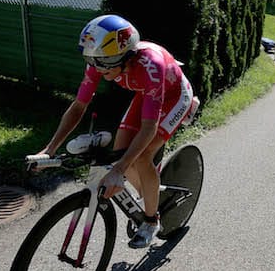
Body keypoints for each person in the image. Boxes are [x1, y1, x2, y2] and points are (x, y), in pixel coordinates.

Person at [33, 14, 195, 249]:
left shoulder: (152, 67)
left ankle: (151, 222)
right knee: (122, 152)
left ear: (124, 56)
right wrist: (49, 149)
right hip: (145, 93)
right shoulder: (100, 62)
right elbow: (79, 106)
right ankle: (151, 190)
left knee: (141, 157)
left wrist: (119, 169)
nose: (96, 68)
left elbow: (149, 128)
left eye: (103, 63)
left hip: (174, 95)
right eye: (92, 60)